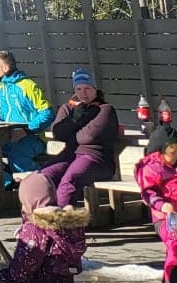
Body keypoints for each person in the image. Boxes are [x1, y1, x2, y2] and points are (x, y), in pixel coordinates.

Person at [134, 123, 177, 283]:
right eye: (172, 152)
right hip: (165, 218)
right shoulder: (152, 168)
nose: (175, 156)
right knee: (175, 251)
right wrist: (161, 204)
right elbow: (148, 192)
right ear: (160, 151)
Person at [42, 72, 120, 207]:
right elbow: (57, 133)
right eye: (78, 89)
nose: (83, 93)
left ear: (95, 89)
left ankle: (60, 217)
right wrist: (73, 120)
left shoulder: (105, 109)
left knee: (69, 180)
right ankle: (38, 216)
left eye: (87, 88)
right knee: (44, 176)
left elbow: (88, 137)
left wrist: (70, 133)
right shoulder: (68, 108)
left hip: (95, 158)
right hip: (69, 156)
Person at [0, 50, 53, 178]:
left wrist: (26, 130)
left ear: (5, 68)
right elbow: (3, 118)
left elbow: (47, 113)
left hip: (32, 137)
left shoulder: (27, 86)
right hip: (7, 139)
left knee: (17, 157)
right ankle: (7, 186)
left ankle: (42, 183)